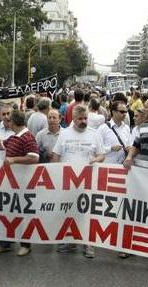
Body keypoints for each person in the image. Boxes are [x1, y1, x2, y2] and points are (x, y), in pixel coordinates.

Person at [51, 105, 105, 258]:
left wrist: (96, 159)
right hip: (68, 183)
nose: (83, 121)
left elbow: (102, 155)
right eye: (80, 119)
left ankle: (88, 244)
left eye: (85, 118)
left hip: (87, 182)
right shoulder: (64, 134)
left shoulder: (94, 134)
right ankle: (70, 241)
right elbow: (56, 155)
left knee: (86, 213)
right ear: (73, 119)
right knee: (69, 212)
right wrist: (54, 175)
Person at [0, 110, 40, 257]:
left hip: (23, 183)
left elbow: (34, 157)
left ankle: (25, 245)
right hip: (10, 183)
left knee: (22, 215)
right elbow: (0, 146)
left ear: (14, 122)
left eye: (8, 120)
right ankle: (4, 244)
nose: (6, 122)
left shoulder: (27, 137)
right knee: (6, 213)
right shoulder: (14, 137)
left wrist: (14, 160)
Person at [98, 101, 133, 166]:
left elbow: (130, 143)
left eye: (126, 112)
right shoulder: (103, 128)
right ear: (113, 112)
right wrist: (110, 148)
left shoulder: (127, 128)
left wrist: (129, 148)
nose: (125, 114)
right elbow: (96, 148)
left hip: (123, 166)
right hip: (107, 166)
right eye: (122, 112)